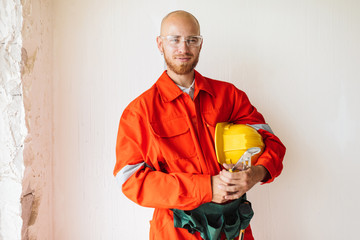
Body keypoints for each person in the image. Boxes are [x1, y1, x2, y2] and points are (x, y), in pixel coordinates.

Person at [113, 10, 286, 240]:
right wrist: (206, 188)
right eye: (174, 40)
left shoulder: (229, 96)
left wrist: (255, 173)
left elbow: (271, 142)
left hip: (232, 230)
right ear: (160, 44)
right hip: (175, 233)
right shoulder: (140, 112)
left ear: (200, 44)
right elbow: (130, 180)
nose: (183, 48)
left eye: (191, 40)